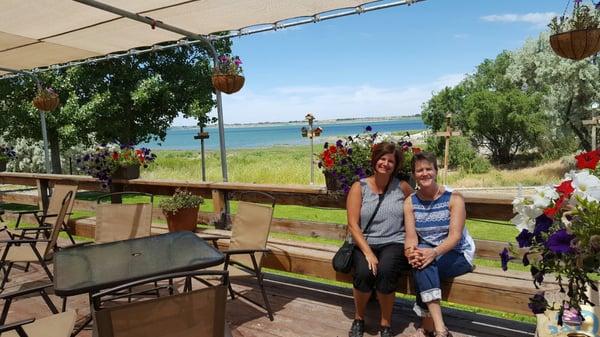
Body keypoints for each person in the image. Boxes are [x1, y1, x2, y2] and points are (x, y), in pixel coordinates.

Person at [403, 152, 475, 337]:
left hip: (458, 254)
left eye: (428, 169)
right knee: (422, 262)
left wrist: (432, 253)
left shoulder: (454, 198)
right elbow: (411, 237)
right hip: (430, 252)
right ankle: (439, 329)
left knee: (425, 265)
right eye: (419, 170)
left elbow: (455, 237)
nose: (424, 173)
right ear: (413, 174)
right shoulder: (410, 202)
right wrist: (411, 252)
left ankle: (431, 327)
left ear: (436, 171)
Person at [347, 142, 413, 337]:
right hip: (364, 241)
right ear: (375, 160)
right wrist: (368, 253)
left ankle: (385, 324)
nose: (385, 163)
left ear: (396, 165)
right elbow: (352, 224)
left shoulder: (402, 187)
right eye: (382, 159)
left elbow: (419, 205)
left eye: (390, 160)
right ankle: (359, 318)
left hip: (394, 241)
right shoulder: (360, 187)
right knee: (363, 273)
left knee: (385, 271)